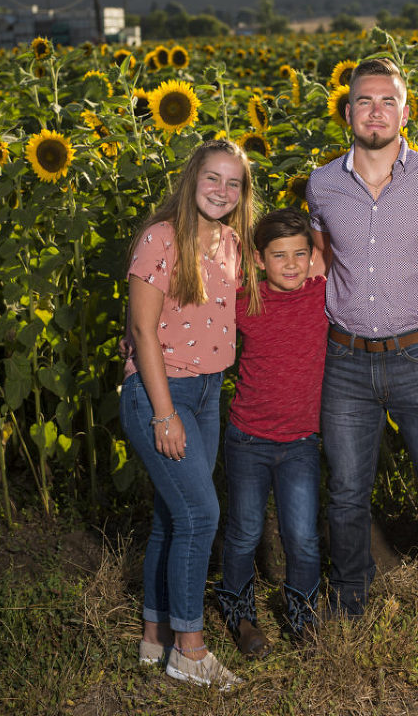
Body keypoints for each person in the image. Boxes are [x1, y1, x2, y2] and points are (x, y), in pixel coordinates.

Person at [305, 57, 418, 648]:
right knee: (347, 492)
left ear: (406, 113)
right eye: (364, 101)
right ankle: (349, 603)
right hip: (346, 360)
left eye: (388, 101)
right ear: (347, 111)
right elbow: (315, 266)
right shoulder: (322, 183)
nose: (375, 111)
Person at [119, 138, 258, 691]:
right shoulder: (161, 238)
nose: (222, 191)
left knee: (172, 518)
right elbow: (142, 332)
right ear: (191, 180)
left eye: (234, 183)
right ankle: (191, 651)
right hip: (162, 392)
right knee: (201, 515)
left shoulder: (230, 242)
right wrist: (162, 414)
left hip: (206, 392)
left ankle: (154, 638)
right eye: (213, 179)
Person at [215, 208, 329, 654]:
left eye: (300, 254)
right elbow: (194, 317)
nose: (291, 265)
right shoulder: (246, 300)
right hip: (248, 438)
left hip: (301, 441)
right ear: (259, 259)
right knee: (244, 532)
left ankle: (302, 617)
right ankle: (240, 617)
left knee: (301, 536)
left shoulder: (323, 296)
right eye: (279, 255)